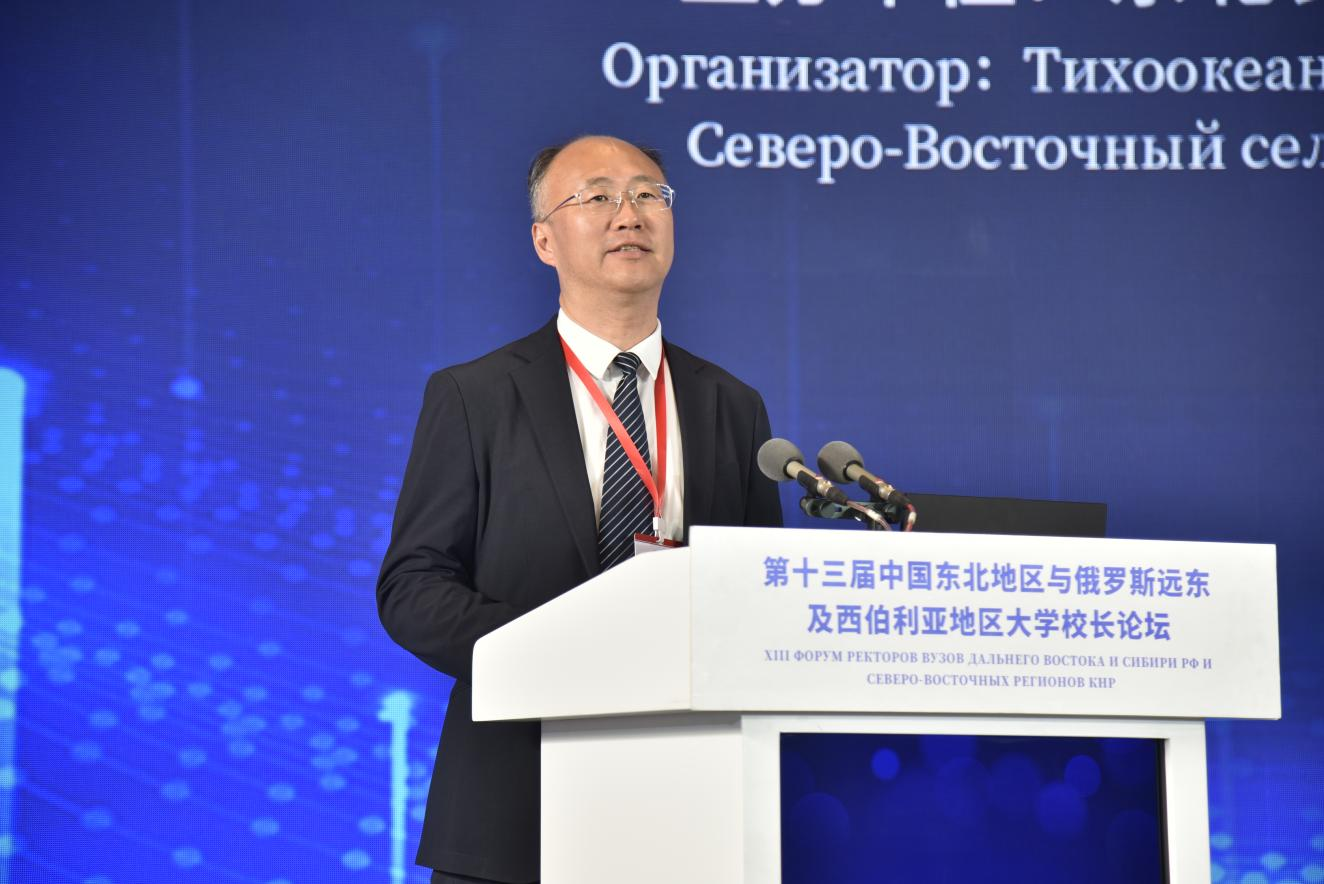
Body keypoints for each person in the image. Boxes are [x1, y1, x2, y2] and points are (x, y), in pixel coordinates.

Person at [376, 135, 783, 884]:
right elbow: (413, 587)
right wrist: (561, 653)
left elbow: (760, 592)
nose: (629, 214)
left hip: (690, 800)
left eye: (649, 194)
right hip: (513, 802)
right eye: (597, 197)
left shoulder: (732, 405)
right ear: (544, 240)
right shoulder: (475, 397)